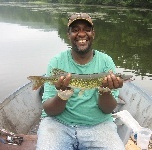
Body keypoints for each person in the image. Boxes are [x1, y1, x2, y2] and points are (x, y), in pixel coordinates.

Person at [36, 13, 125, 150]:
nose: (81, 34)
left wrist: (105, 90)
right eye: (75, 30)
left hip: (99, 124)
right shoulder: (57, 61)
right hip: (58, 124)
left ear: (93, 34)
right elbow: (49, 110)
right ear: (68, 34)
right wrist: (62, 95)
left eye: (87, 30)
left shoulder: (106, 62)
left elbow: (107, 109)